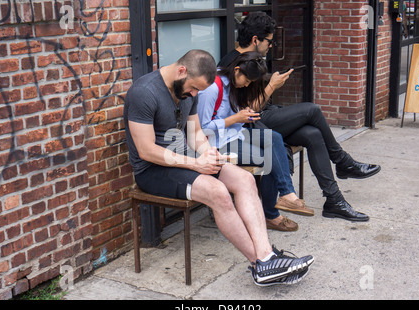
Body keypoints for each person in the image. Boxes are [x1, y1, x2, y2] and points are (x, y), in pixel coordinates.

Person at [123, 49, 314, 286]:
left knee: (244, 180)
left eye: (198, 91)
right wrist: (195, 163)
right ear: (182, 70)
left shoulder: (190, 92)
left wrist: (208, 153)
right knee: (218, 192)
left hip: (186, 159)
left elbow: (195, 134)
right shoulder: (144, 93)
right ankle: (260, 263)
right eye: (193, 89)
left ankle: (267, 256)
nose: (194, 95)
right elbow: (146, 150)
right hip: (153, 170)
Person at [218, 12, 381, 222]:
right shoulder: (232, 65)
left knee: (312, 134)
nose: (271, 46)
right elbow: (245, 114)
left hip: (267, 115)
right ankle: (342, 161)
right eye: (269, 41)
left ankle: (334, 200)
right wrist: (271, 87)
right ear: (255, 40)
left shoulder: (252, 59)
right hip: (251, 125)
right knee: (312, 110)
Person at [198, 51, 314, 232]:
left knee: (274, 138)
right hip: (215, 143)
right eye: (248, 80)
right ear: (237, 70)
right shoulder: (213, 87)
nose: (247, 84)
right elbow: (201, 128)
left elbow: (237, 118)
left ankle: (287, 194)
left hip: (236, 133)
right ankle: (271, 215)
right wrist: (236, 118)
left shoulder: (236, 86)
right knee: (267, 158)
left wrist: (245, 116)